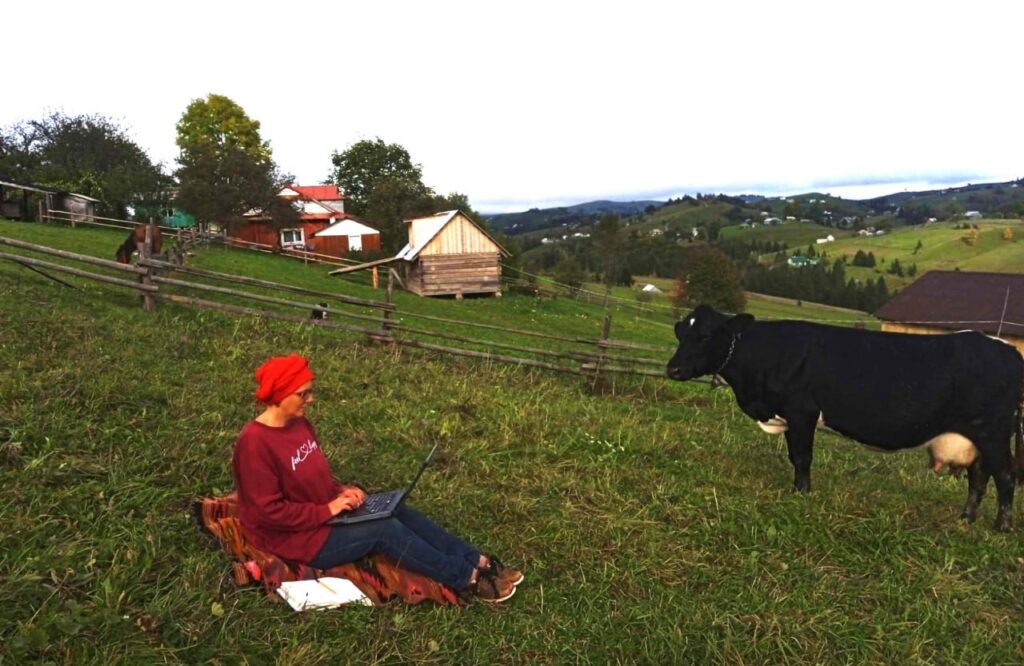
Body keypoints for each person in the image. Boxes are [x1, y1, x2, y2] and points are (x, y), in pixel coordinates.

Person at [232, 353, 522, 603]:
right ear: (280, 394)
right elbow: (267, 513)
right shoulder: (254, 444)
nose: (311, 399)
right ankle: (467, 579)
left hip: (323, 515)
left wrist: (342, 492)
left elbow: (313, 475)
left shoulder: (299, 424)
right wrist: (327, 509)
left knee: (394, 508)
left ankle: (476, 560)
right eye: (303, 393)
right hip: (295, 538)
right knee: (384, 530)